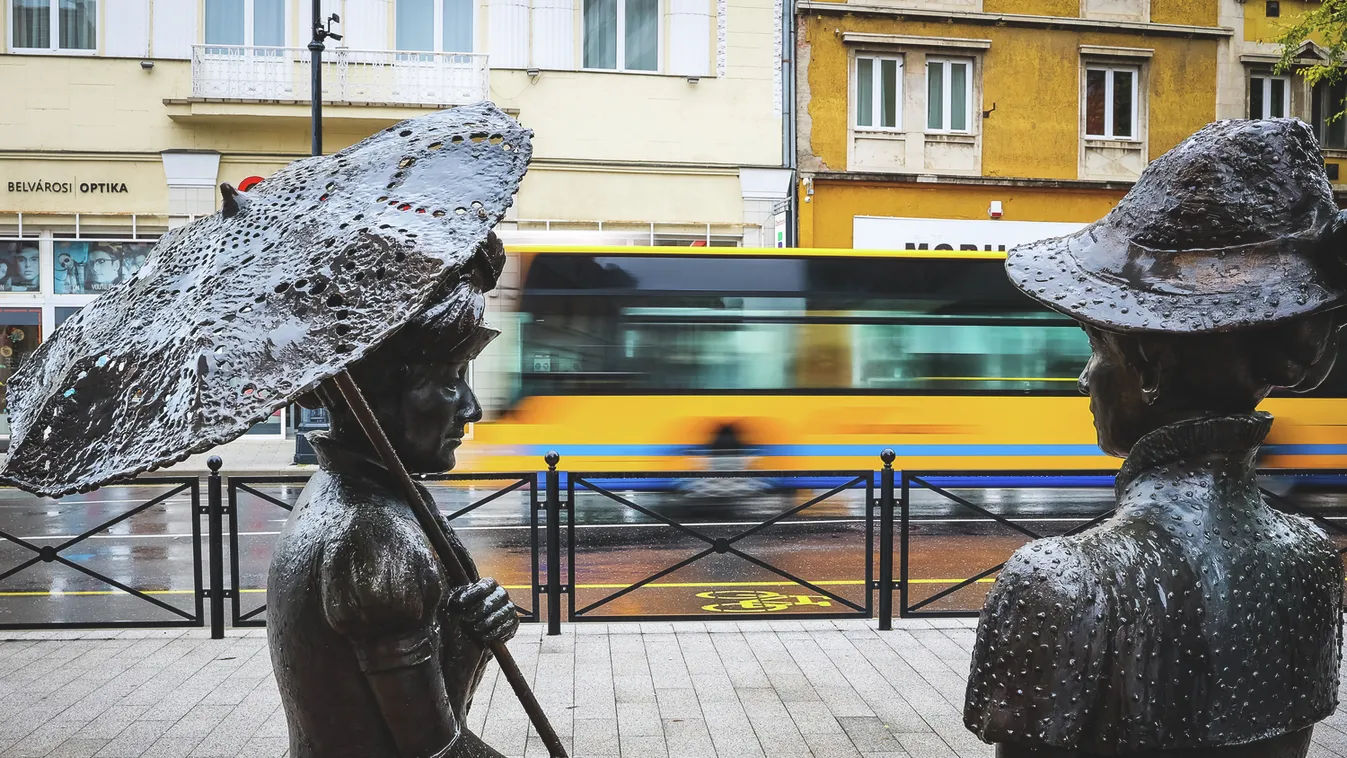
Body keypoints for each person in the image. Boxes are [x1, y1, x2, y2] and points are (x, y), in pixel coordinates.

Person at [964, 119, 1347, 757]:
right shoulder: (1311, 560)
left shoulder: (1065, 580)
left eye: (1097, 343)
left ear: (1146, 366)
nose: (1085, 375)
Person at [268, 233, 518, 758]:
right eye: (450, 380)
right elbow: (436, 751)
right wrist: (471, 643)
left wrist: (469, 639)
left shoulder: (339, 494)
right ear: (376, 396)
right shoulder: (375, 540)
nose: (470, 409)